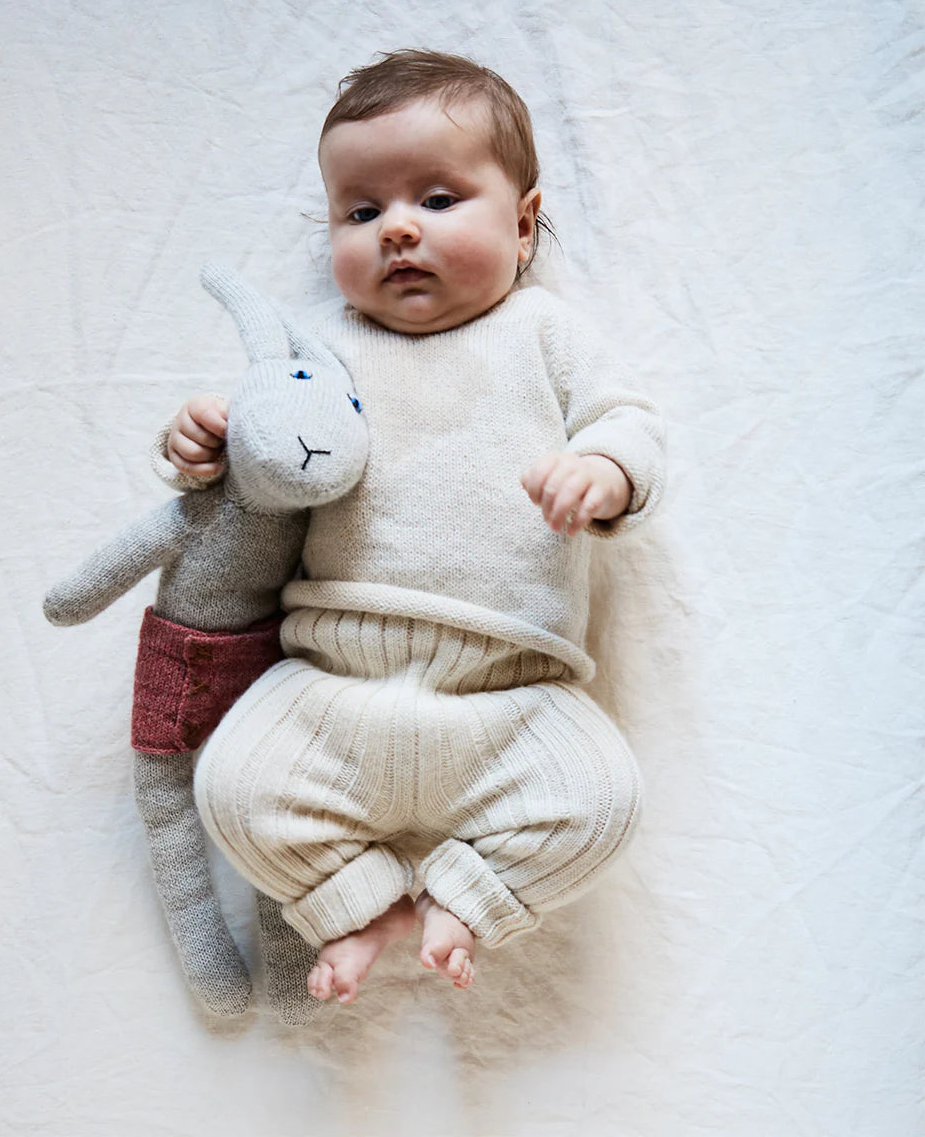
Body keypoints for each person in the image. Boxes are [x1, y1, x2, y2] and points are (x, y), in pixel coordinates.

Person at [161, 50, 666, 1006]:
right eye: (360, 212)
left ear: (522, 226)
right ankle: (360, 899)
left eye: (438, 200)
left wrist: (604, 470)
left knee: (603, 800)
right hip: (331, 687)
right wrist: (203, 440)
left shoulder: (543, 333)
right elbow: (268, 432)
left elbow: (629, 420)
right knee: (233, 784)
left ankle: (465, 900)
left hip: (509, 698)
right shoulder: (328, 347)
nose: (396, 228)